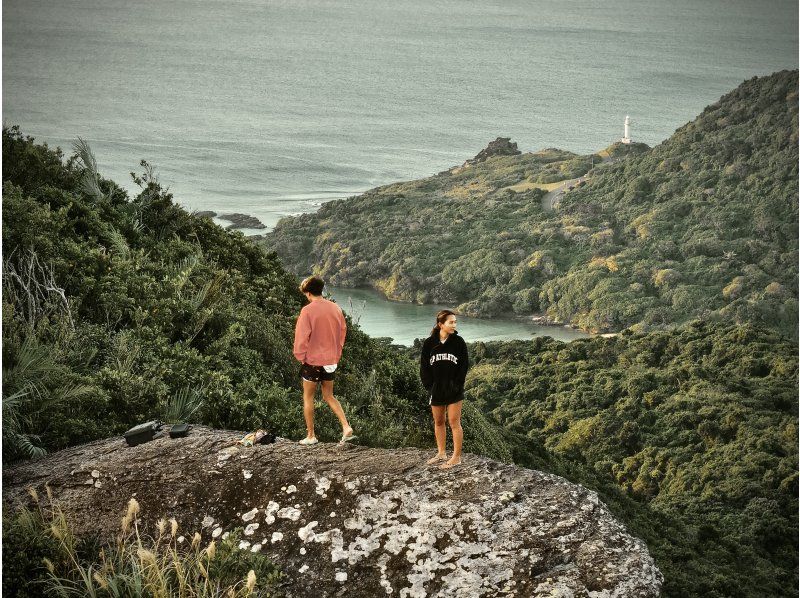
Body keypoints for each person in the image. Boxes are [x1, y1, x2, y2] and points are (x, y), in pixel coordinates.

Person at [293, 276, 355, 445]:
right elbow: (342, 332)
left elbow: (301, 337)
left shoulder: (307, 311)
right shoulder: (335, 308)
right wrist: (337, 353)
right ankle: (345, 426)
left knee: (308, 397)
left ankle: (311, 435)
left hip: (312, 361)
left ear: (308, 293)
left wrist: (300, 356)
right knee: (329, 396)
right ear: (321, 290)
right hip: (331, 360)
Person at [420, 309, 469, 469]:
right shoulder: (429, 343)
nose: (454, 324)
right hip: (436, 390)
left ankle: (456, 457)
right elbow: (424, 368)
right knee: (439, 421)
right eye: (451, 322)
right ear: (441, 324)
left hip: (454, 390)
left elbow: (463, 366)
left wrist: (457, 385)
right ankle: (441, 453)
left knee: (454, 422)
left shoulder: (459, 342)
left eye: (455, 322)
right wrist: (430, 386)